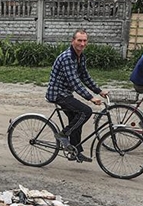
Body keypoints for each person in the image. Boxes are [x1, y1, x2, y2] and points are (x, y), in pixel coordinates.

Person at [46, 30, 108, 163]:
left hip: (66, 93)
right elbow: (74, 81)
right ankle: (63, 135)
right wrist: (90, 98)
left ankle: (75, 151)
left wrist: (99, 91)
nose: (82, 43)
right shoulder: (68, 57)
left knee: (77, 119)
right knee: (86, 111)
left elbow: (85, 76)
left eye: (85, 40)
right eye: (79, 40)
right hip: (58, 93)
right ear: (72, 41)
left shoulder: (80, 56)